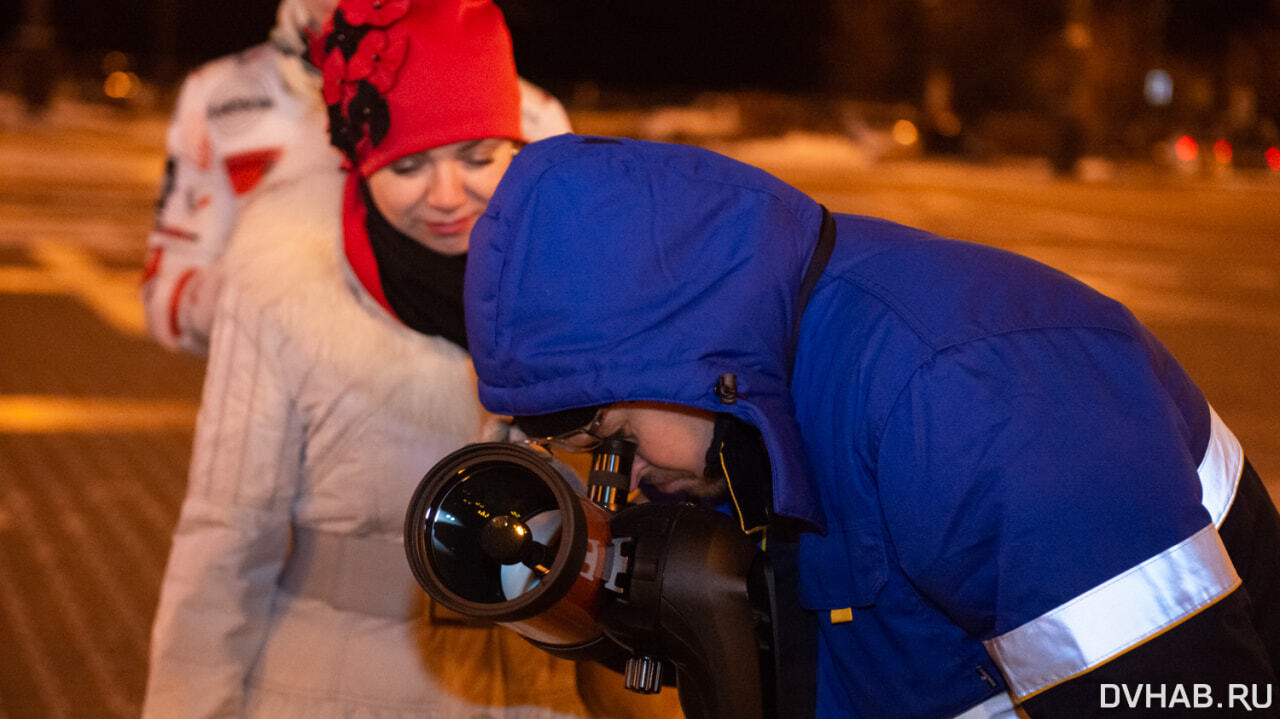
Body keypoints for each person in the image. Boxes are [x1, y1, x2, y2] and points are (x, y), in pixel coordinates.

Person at [461, 135, 1280, 718]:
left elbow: (1173, 691)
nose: (624, 477)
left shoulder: (971, 394)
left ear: (674, 356)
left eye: (611, 437)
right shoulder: (757, 407)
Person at [141, 4, 640, 718]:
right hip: (338, 686)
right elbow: (226, 536)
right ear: (360, 159)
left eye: (477, 158)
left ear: (517, 145)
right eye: (407, 165)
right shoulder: (282, 274)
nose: (445, 197)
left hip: (542, 689)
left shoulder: (580, 267)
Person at [139, 0, 571, 355]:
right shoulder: (219, 95)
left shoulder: (527, 112)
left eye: (475, 159)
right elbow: (165, 303)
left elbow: (571, 309)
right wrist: (270, 287)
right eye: (408, 166)